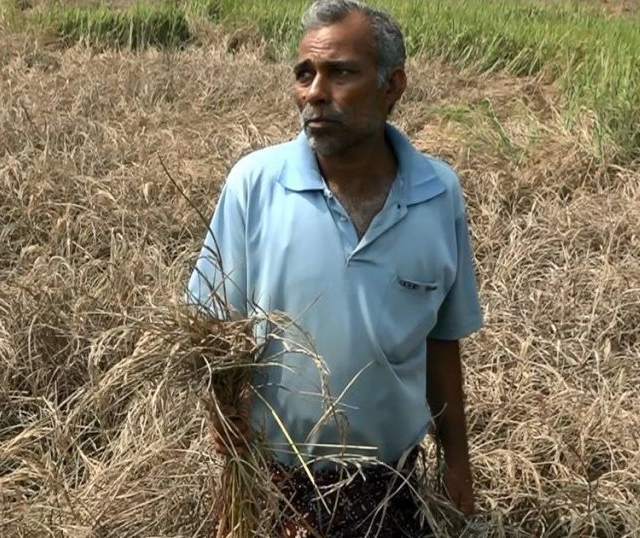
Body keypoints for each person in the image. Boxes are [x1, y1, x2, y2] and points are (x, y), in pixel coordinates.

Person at [187, 1, 484, 535]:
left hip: (390, 487)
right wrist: (230, 447)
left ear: (393, 86)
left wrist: (457, 465)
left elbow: (442, 342)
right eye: (305, 74)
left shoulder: (438, 194)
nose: (315, 93)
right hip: (274, 485)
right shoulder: (255, 184)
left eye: (341, 72)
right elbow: (213, 333)